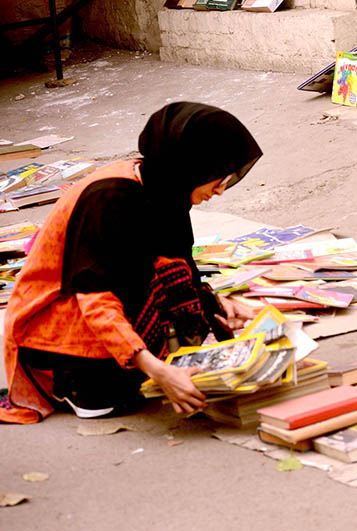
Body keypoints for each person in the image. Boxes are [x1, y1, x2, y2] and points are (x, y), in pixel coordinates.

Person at [0, 102, 262, 423]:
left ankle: (132, 361)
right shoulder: (110, 199)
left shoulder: (166, 190)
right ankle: (65, 376)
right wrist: (158, 371)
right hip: (60, 316)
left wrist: (217, 303)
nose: (221, 190)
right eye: (217, 178)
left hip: (108, 298)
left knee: (173, 280)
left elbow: (179, 265)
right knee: (107, 399)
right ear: (190, 168)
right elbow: (96, 298)